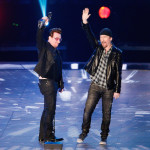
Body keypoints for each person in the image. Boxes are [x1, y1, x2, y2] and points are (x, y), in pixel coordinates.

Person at [77, 8, 123, 145]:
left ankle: (104, 136)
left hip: (109, 88)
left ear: (110, 39)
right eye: (101, 37)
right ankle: (84, 132)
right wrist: (85, 22)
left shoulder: (117, 53)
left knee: (106, 114)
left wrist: (117, 89)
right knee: (87, 111)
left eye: (105, 38)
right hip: (95, 85)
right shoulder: (98, 47)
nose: (102, 39)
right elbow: (89, 35)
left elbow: (119, 72)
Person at [34, 16, 64, 142]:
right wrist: (42, 24)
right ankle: (48, 135)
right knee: (50, 110)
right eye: (56, 38)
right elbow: (39, 36)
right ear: (50, 38)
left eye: (59, 39)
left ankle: (43, 136)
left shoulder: (56, 52)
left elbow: (58, 69)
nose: (58, 41)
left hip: (52, 82)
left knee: (48, 110)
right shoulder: (44, 47)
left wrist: (61, 84)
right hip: (47, 82)